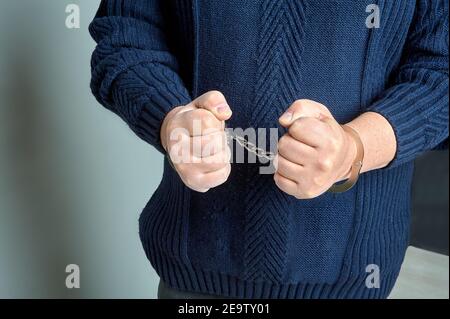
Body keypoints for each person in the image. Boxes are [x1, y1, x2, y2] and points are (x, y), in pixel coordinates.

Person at [89, 0, 449, 299]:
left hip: (352, 274)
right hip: (193, 273)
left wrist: (355, 147)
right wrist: (171, 118)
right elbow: (125, 35)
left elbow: (441, 70)